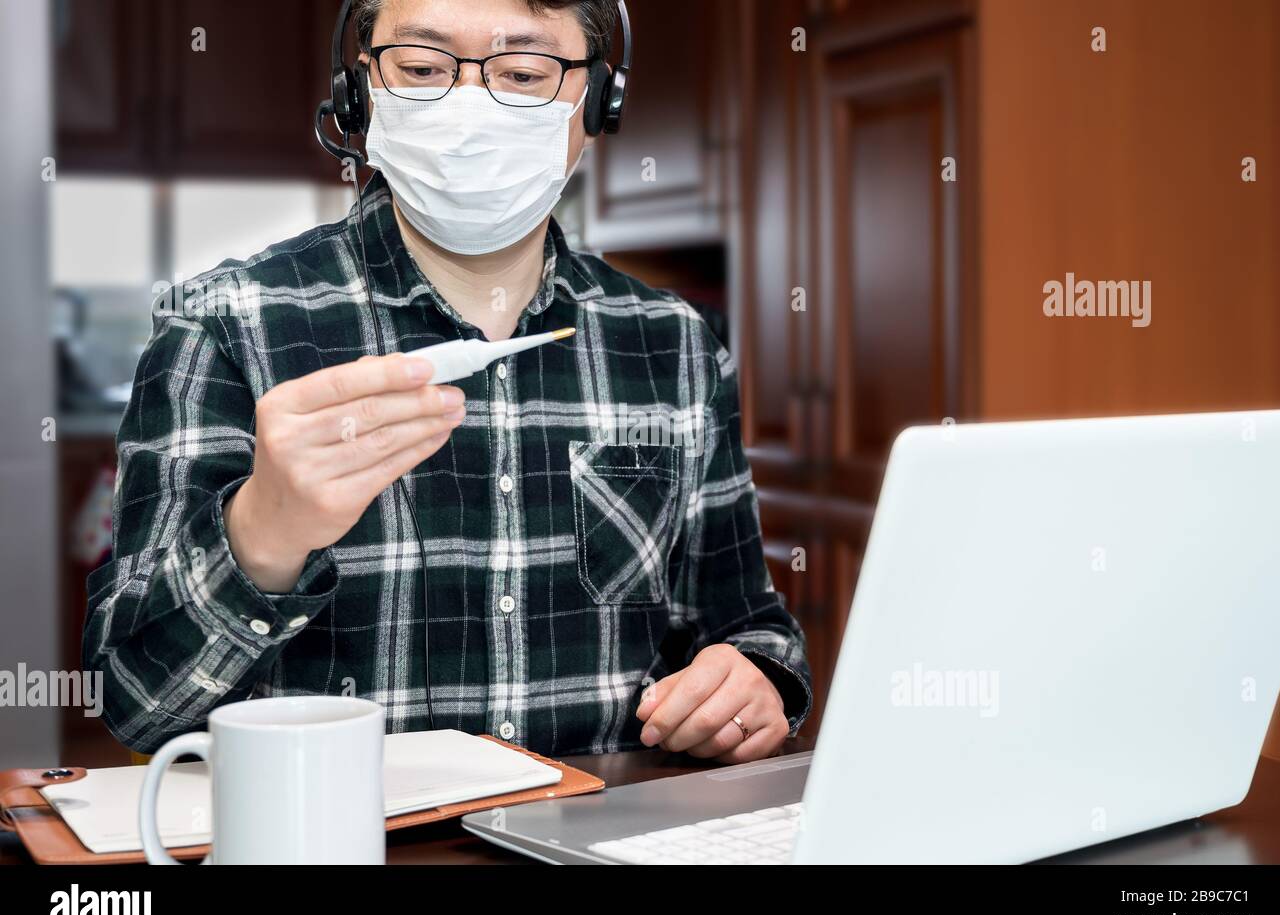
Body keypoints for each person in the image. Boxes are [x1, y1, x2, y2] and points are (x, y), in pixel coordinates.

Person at [83, 0, 811, 764]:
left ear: (598, 104)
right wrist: (267, 531)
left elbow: (746, 623)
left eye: (524, 73)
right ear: (362, 91)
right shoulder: (222, 325)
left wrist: (755, 679)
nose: (468, 109)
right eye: (424, 69)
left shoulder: (676, 345)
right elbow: (137, 705)